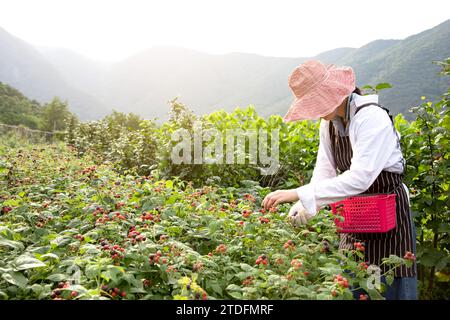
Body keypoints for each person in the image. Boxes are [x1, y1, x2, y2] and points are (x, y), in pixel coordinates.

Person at [261, 60, 417, 300]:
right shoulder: (329, 125)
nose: (316, 112)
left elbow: (360, 178)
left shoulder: (370, 118)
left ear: (333, 94)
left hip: (389, 221)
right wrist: (304, 208)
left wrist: (298, 193)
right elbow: (324, 171)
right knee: (354, 283)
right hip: (355, 219)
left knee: (389, 284)